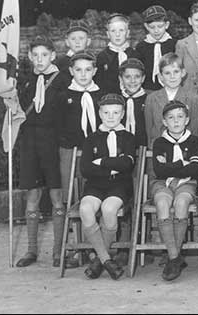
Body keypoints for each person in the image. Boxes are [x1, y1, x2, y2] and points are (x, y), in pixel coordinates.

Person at [14, 36, 70, 268]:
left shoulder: (63, 79)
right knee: (33, 196)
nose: (39, 60)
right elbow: (17, 114)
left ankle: (58, 251)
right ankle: (31, 250)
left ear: (52, 56)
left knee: (57, 196)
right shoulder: (24, 81)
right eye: (35, 55)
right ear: (29, 57)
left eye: (44, 55)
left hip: (53, 141)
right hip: (29, 142)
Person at [78, 93, 136, 280]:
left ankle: (98, 262)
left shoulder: (128, 137)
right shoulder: (91, 138)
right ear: (100, 114)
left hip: (119, 185)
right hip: (95, 185)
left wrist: (101, 161)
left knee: (109, 209)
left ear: (122, 114)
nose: (111, 117)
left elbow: (127, 165)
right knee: (86, 209)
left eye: (116, 112)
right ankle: (106, 260)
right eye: (107, 113)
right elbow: (86, 169)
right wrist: (112, 167)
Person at [56, 52, 103, 268]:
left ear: (94, 71)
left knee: (93, 196)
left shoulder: (102, 95)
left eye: (87, 70)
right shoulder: (64, 95)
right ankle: (77, 248)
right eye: (78, 70)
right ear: (71, 71)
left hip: (96, 153)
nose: (83, 74)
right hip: (71, 152)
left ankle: (95, 248)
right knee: (74, 198)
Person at [151, 100, 198, 281]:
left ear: (187, 120)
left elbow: (195, 169)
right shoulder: (159, 142)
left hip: (187, 183)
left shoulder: (194, 141)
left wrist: (171, 166)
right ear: (164, 122)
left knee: (181, 203)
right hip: (162, 183)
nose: (176, 121)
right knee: (162, 203)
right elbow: (159, 171)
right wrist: (182, 164)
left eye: (180, 117)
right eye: (170, 118)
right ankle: (175, 258)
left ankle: (173, 258)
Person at [145, 53, 198, 152]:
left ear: (183, 73)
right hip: (161, 151)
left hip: (185, 151)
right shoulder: (151, 99)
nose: (172, 76)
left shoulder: (193, 98)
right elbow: (150, 129)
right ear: (161, 76)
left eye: (176, 72)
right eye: (167, 73)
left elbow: (196, 129)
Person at [94, 14, 142, 94]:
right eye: (113, 31)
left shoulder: (135, 55)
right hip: (109, 98)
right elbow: (99, 82)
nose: (117, 34)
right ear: (108, 34)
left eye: (121, 30)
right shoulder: (102, 57)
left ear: (127, 33)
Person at [136, 5, 177, 91]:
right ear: (146, 26)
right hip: (148, 89)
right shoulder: (141, 47)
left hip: (171, 88)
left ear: (166, 25)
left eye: (160, 26)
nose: (156, 30)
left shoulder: (174, 44)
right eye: (152, 27)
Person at [119, 58, 150, 149]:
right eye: (127, 77)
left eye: (137, 76)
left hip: (144, 148)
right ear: (121, 78)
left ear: (143, 78)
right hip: (120, 149)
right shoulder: (117, 100)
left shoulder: (150, 99)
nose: (132, 81)